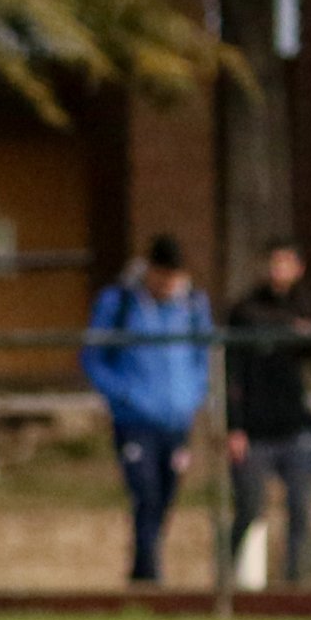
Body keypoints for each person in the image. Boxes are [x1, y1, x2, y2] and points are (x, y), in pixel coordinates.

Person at [81, 235, 213, 584]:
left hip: (176, 420)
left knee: (165, 496)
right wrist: (122, 395)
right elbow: (94, 357)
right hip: (134, 419)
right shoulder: (120, 303)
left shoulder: (193, 306)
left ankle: (144, 568)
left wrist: (193, 394)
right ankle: (148, 574)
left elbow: (204, 357)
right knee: (145, 492)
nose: (170, 285)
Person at [225, 238, 311, 583]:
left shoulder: (304, 306)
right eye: (273, 262)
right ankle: (226, 584)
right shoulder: (246, 311)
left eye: (285, 262)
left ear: (299, 268)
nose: (278, 270)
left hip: (295, 427)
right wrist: (234, 426)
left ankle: (297, 587)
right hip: (254, 428)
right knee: (248, 509)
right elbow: (232, 372)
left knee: (301, 511)